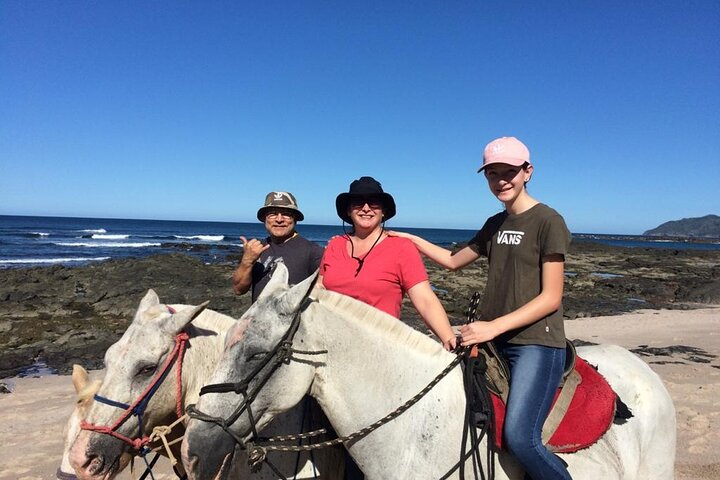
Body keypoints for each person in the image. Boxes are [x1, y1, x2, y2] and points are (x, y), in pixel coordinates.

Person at [389, 137, 572, 480]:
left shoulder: (548, 221)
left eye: (509, 172)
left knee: (521, 438)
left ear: (528, 172)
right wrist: (411, 239)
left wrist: (492, 326)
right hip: (494, 339)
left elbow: (552, 297)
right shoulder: (495, 224)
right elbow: (453, 261)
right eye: (493, 174)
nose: (501, 180)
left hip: (536, 342)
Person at [318, 176, 457, 351]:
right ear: (348, 210)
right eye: (358, 202)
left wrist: (449, 338)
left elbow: (424, 299)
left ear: (383, 211)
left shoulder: (401, 247)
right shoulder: (334, 244)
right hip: (329, 342)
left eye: (374, 202)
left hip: (379, 348)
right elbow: (319, 287)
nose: (366, 208)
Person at [232, 191, 324, 302]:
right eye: (272, 214)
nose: (279, 219)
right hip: (257, 318)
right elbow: (238, 290)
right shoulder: (256, 250)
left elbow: (323, 294)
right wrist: (247, 261)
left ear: (295, 219)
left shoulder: (313, 251)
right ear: (264, 219)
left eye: (286, 214)